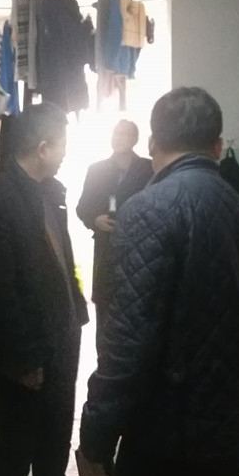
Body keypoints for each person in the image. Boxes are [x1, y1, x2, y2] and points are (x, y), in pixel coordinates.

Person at [76, 87, 239, 476]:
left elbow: (127, 345)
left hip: (167, 438)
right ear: (217, 146)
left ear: (152, 144)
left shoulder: (147, 210)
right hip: (230, 430)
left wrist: (95, 438)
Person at [0, 103, 88, 476]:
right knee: (12, 459)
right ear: (42, 148)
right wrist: (26, 362)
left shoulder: (49, 193)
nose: (66, 153)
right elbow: (0, 294)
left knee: (52, 459)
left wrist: (76, 314)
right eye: (63, 144)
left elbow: (61, 260)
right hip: (22, 363)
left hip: (59, 351)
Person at [75, 120, 153, 347]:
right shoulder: (97, 169)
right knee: (105, 311)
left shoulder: (148, 168)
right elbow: (82, 207)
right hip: (106, 248)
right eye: (116, 133)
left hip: (140, 248)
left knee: (138, 308)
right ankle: (104, 359)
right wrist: (95, 220)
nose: (119, 138)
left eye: (125, 134)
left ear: (135, 139)